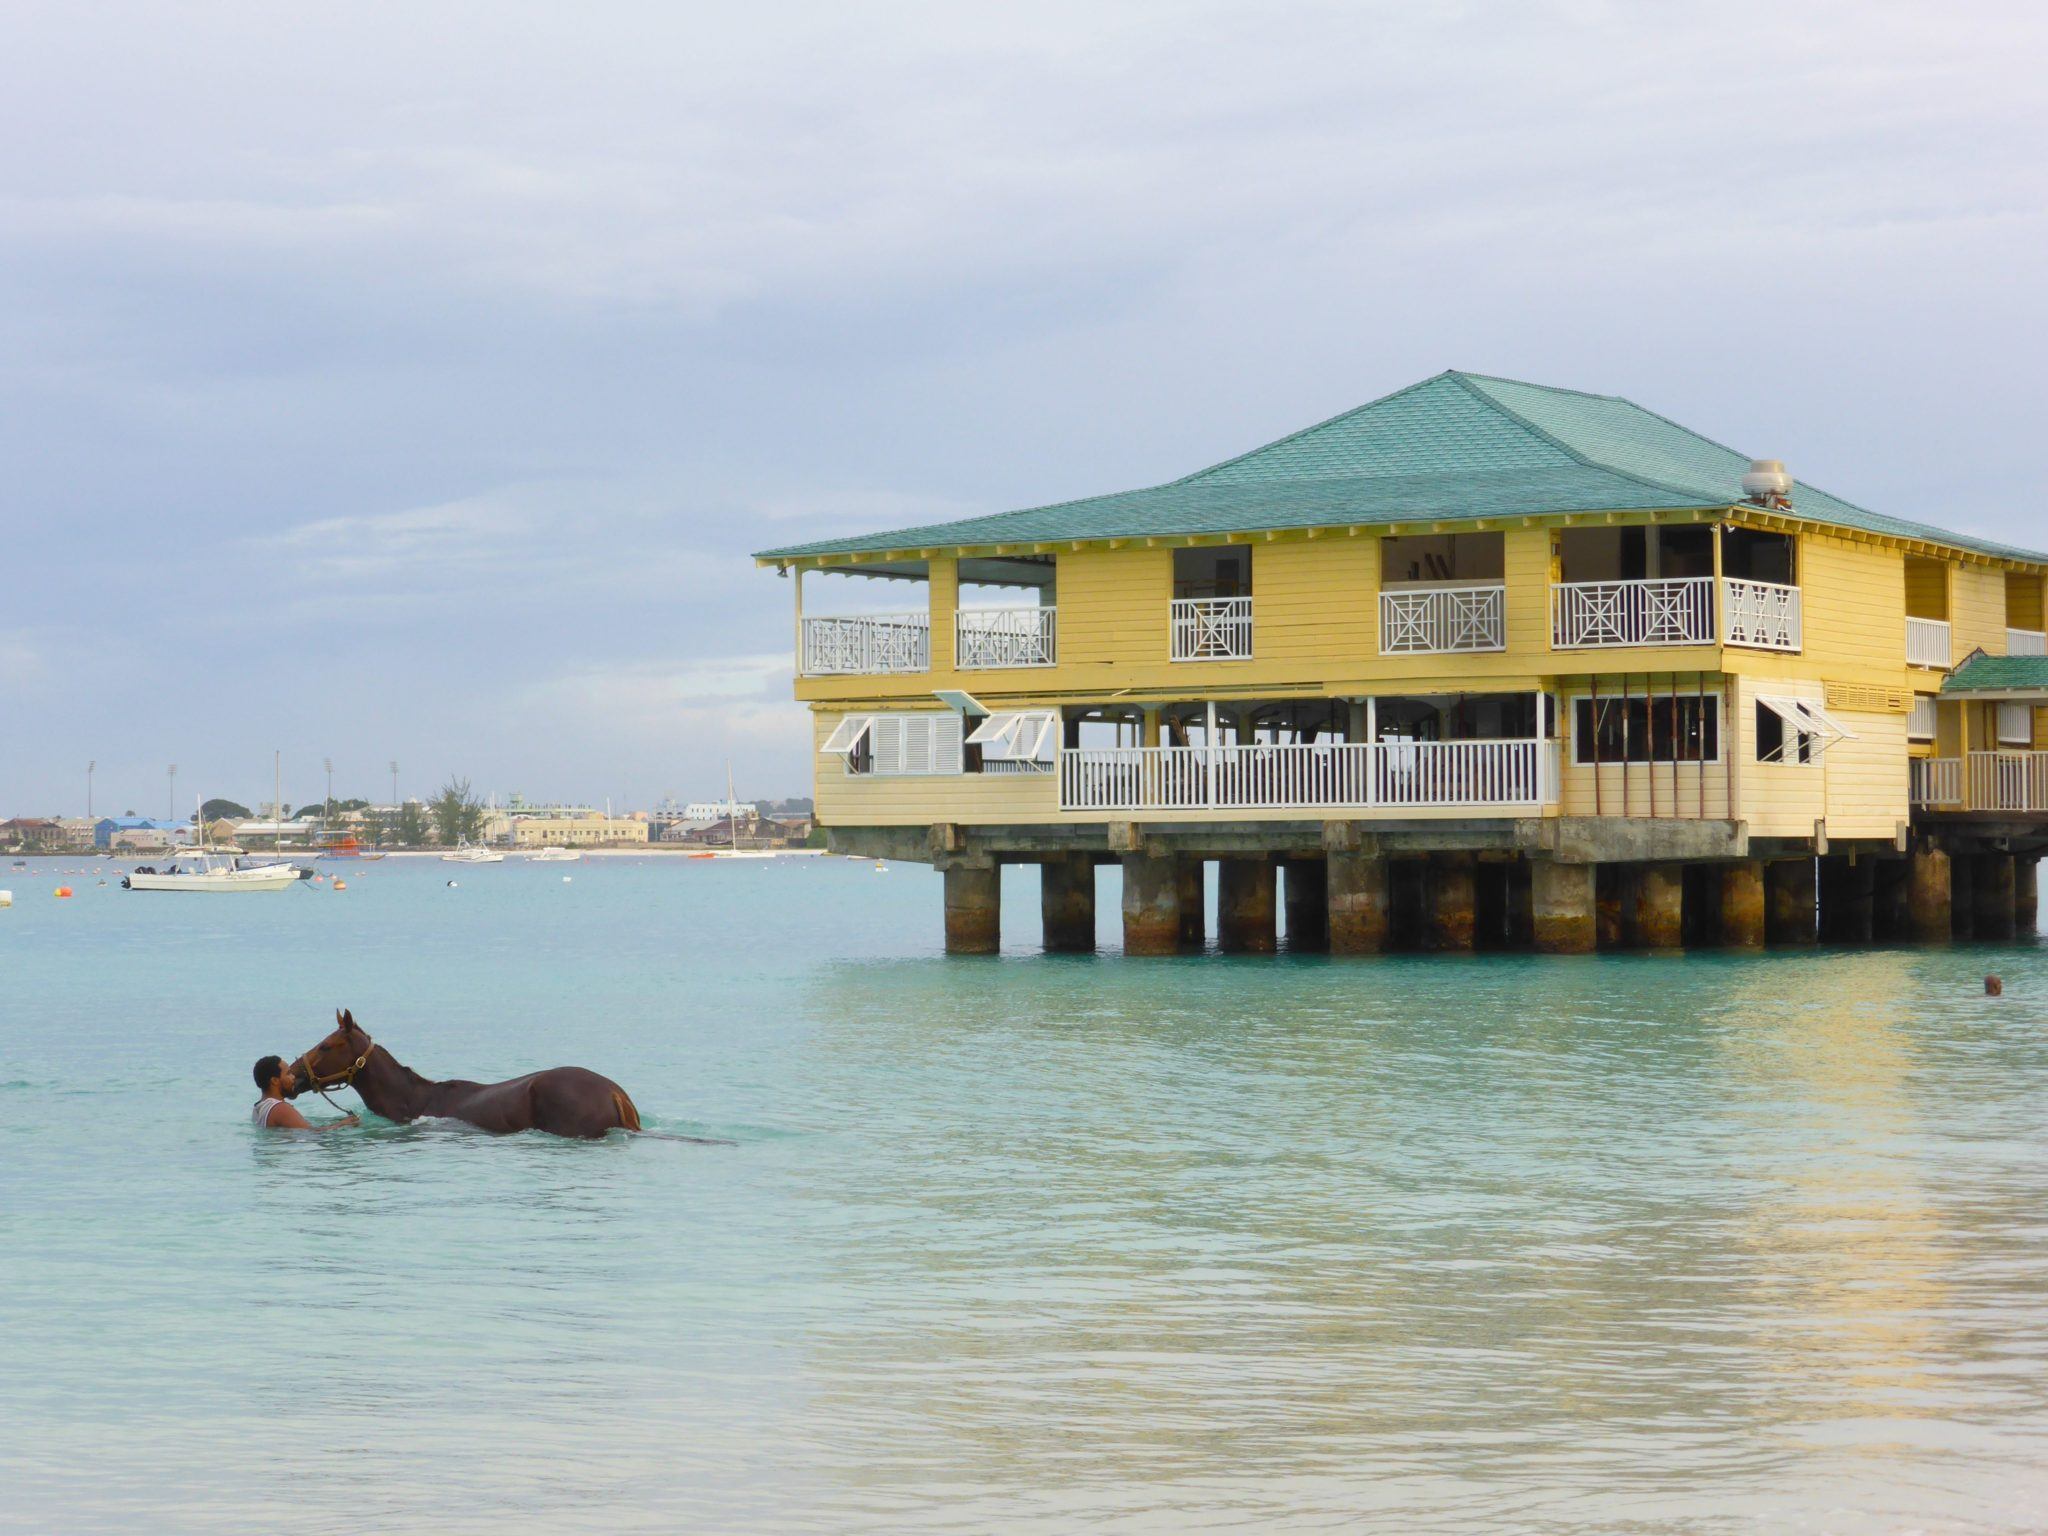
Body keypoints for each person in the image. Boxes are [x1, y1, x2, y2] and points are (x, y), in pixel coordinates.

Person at [251, 1055, 358, 1131]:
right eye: (288, 1074)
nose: (293, 1077)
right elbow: (311, 1133)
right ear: (274, 1081)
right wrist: (343, 1124)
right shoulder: (279, 1108)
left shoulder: (259, 1107)